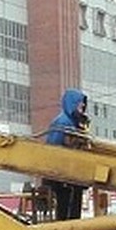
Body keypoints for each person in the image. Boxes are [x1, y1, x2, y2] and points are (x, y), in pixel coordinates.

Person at [43, 89, 91, 221]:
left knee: (72, 201)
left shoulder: (74, 123)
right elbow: (56, 146)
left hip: (71, 173)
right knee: (66, 203)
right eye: (80, 104)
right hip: (63, 172)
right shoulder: (63, 122)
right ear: (73, 103)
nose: (82, 107)